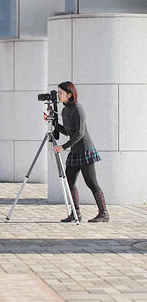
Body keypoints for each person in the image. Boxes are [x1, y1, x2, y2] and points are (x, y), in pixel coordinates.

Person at [44, 81, 109, 222]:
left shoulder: (77, 108)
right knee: (69, 182)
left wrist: (63, 147)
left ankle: (104, 213)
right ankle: (76, 214)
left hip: (85, 150)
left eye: (61, 92)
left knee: (91, 182)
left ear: (69, 94)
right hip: (75, 152)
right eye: (58, 92)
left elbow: (80, 133)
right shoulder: (65, 109)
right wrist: (53, 122)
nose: (58, 95)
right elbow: (68, 132)